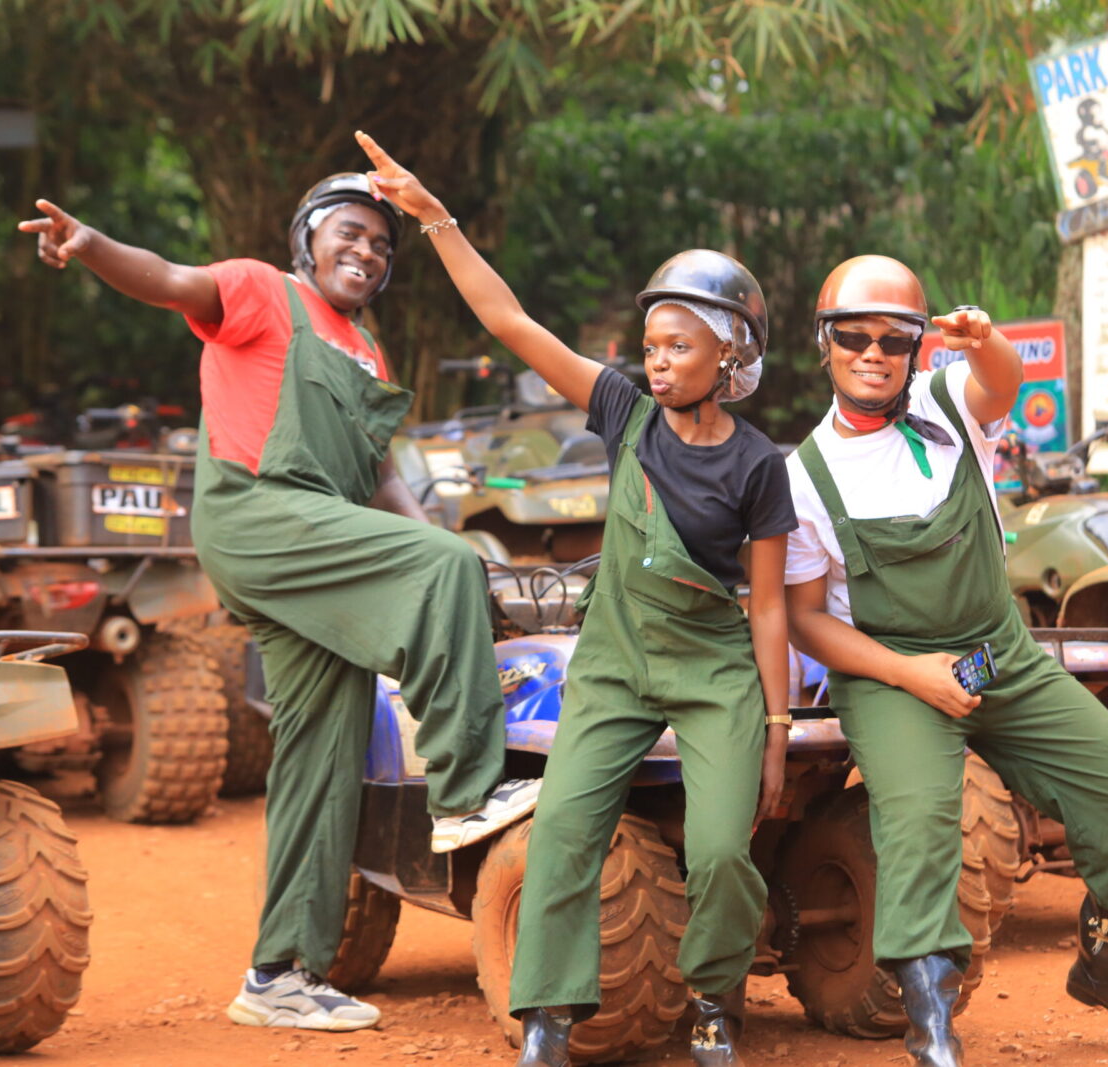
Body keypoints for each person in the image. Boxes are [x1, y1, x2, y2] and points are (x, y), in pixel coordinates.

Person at [18, 176, 540, 1033]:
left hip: (322, 539)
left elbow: (381, 477)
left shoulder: (368, 352)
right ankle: (465, 793)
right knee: (443, 567)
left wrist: (455, 556)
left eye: (382, 245)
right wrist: (91, 246)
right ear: (308, 239)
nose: (366, 251)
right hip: (259, 512)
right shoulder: (263, 290)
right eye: (350, 233)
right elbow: (169, 279)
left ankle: (280, 974)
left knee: (326, 740)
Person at [355, 130, 795, 1067]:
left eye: (679, 346)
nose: (658, 361)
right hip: (615, 664)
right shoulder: (624, 413)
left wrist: (777, 727)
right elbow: (510, 321)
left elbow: (767, 607)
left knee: (722, 850)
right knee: (559, 829)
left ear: (731, 354)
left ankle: (714, 998)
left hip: (715, 673)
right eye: (652, 345)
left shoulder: (761, 467)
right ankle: (547, 1020)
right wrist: (436, 221)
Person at [783, 255, 1108, 1066]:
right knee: (922, 821)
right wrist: (912, 674)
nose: (872, 353)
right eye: (852, 336)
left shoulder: (945, 406)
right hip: (889, 674)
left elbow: (1000, 381)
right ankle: (930, 1016)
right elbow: (806, 620)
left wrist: (987, 339)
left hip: (996, 655)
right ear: (825, 343)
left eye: (893, 338)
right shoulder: (804, 475)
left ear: (916, 347)